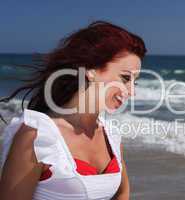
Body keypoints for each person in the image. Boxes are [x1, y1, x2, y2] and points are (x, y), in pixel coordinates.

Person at [0, 20, 147, 200]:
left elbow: (122, 193)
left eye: (135, 82)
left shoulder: (110, 135)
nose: (132, 92)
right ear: (90, 70)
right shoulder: (39, 135)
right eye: (125, 78)